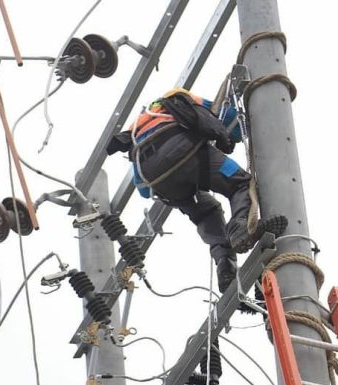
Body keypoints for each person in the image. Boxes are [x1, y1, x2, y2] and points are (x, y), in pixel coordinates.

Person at [106, 87, 287, 292]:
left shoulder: (137, 131)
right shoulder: (179, 96)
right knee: (240, 184)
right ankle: (241, 227)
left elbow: (144, 192)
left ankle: (225, 264)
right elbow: (231, 121)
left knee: (206, 212)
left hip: (158, 180)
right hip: (182, 149)